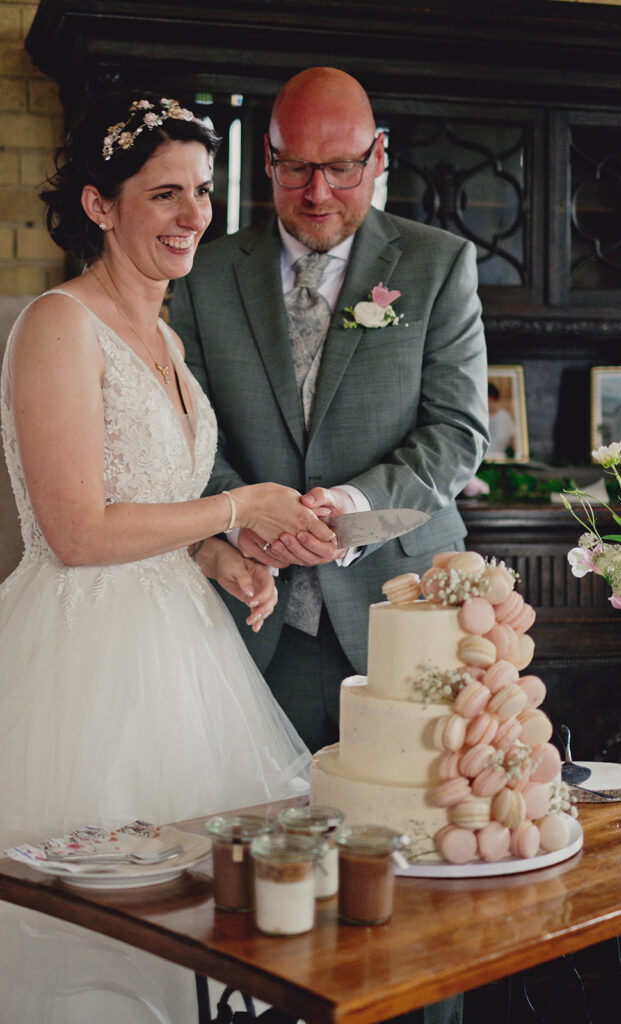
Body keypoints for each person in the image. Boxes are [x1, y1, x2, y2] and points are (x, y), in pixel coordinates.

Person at [0, 91, 338, 1024]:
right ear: (101, 207)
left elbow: (145, 506)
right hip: (85, 668)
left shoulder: (166, 337)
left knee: (202, 934)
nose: (194, 217)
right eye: (163, 195)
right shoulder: (57, 326)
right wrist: (235, 504)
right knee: (103, 933)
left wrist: (218, 558)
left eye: (201, 192)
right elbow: (74, 532)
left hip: (184, 657)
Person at [171, 66, 490, 758]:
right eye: (296, 168)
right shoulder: (201, 276)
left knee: (409, 835)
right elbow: (189, 434)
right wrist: (249, 518)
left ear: (378, 156)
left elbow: (457, 432)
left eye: (342, 168)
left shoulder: (440, 264)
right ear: (267, 158)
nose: (318, 193)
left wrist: (348, 505)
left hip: (404, 608)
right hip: (253, 615)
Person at [487, 381, 517, 457]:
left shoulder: (504, 415)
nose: (489, 403)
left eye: (491, 399)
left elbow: (513, 436)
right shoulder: (480, 416)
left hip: (501, 458)